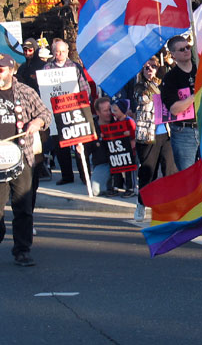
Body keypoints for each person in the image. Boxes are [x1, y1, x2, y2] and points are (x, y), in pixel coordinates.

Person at [0, 54, 52, 266]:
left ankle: (22, 250)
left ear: (11, 70)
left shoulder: (26, 92)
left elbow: (46, 114)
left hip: (21, 157)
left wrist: (37, 123)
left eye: (1, 69)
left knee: (23, 207)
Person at [133, 57, 177, 222]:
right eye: (146, 67)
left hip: (167, 133)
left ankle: (170, 205)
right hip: (148, 135)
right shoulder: (140, 86)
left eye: (153, 66)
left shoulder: (167, 82)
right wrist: (155, 85)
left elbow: (177, 76)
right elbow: (143, 98)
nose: (149, 69)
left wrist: (170, 63)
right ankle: (141, 203)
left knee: (170, 170)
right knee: (148, 172)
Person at [43, 38, 92, 185]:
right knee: (60, 146)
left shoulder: (75, 67)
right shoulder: (47, 69)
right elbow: (44, 91)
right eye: (57, 52)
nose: (60, 54)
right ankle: (67, 176)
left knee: (79, 145)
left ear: (68, 52)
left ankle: (85, 175)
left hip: (75, 110)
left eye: (63, 51)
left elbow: (85, 89)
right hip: (55, 112)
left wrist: (80, 104)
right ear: (53, 52)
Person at [160, 36, 198, 172]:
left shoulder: (200, 69)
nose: (187, 51)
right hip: (184, 132)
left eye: (188, 47)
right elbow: (174, 109)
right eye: (182, 49)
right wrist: (194, 96)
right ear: (173, 55)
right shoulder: (170, 78)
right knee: (189, 174)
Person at [85, 97, 116, 196]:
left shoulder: (118, 121)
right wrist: (81, 149)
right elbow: (86, 151)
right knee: (95, 191)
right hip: (102, 163)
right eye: (105, 111)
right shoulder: (92, 127)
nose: (109, 113)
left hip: (119, 162)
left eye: (110, 109)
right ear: (98, 112)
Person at [111, 99, 137, 197]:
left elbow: (136, 132)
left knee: (129, 170)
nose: (114, 113)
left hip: (130, 150)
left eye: (116, 110)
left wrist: (130, 133)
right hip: (119, 150)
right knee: (117, 168)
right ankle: (116, 186)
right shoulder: (115, 122)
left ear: (122, 110)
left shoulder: (129, 121)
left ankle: (131, 188)